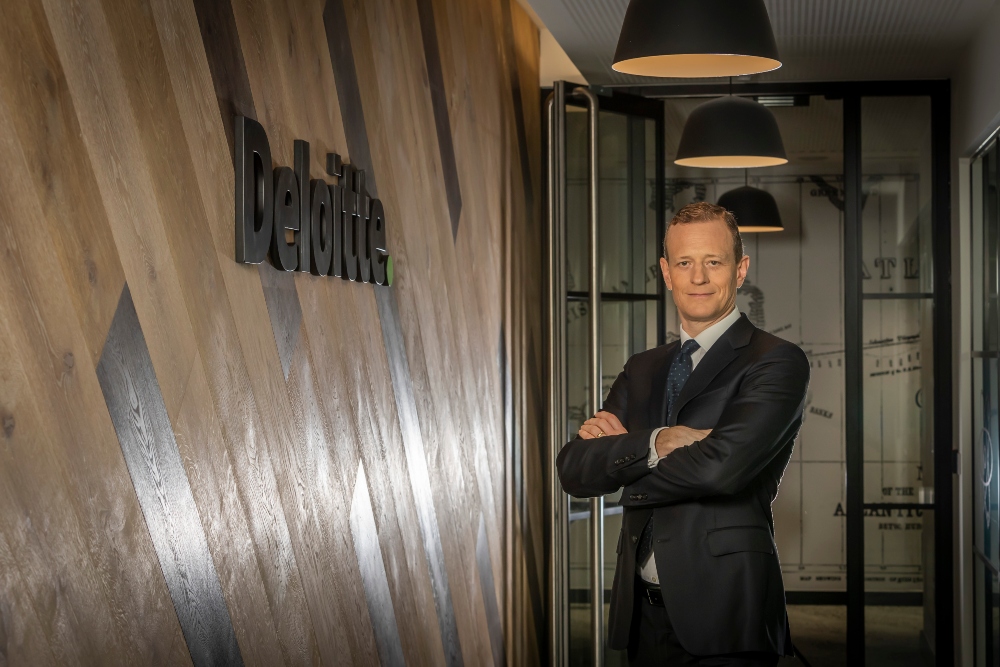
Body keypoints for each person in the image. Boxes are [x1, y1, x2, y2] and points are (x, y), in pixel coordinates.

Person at [557, 201, 809, 666]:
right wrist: (659, 442)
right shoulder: (644, 368)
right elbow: (573, 470)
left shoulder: (775, 361)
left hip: (728, 617)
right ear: (666, 272)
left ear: (740, 269)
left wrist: (623, 461)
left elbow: (720, 471)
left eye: (713, 262)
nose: (698, 277)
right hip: (642, 620)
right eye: (684, 263)